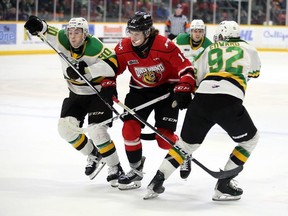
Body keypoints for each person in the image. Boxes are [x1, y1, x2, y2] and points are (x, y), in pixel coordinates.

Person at [145, 20, 261, 201]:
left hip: (201, 99)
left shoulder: (210, 49)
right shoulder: (249, 48)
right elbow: (254, 73)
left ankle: (156, 181)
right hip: (228, 100)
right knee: (250, 140)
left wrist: (182, 91)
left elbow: (195, 76)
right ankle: (224, 185)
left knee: (185, 145)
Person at [24, 16, 124, 187]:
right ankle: (94, 154)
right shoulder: (62, 38)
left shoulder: (95, 47)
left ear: (85, 34)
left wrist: (86, 69)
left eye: (77, 32)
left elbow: (114, 64)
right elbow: (47, 29)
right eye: (70, 31)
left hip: (97, 94)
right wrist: (39, 25)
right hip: (76, 93)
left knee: (97, 132)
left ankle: (115, 167)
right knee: (65, 129)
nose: (73, 36)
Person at [114, 11, 196, 190]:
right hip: (139, 91)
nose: (132, 37)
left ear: (147, 31)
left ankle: (183, 152)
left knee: (164, 140)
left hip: (167, 91)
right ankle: (135, 171)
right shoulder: (124, 47)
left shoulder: (164, 45)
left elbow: (186, 67)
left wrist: (184, 87)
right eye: (131, 33)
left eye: (136, 34)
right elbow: (112, 67)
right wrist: (107, 85)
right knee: (129, 129)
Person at [173, 19, 213, 180]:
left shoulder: (209, 46)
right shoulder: (179, 40)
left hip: (198, 87)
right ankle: (181, 150)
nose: (197, 34)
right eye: (195, 31)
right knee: (169, 124)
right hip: (179, 85)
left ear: (204, 32)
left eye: (200, 31)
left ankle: (185, 153)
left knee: (191, 123)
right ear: (191, 31)